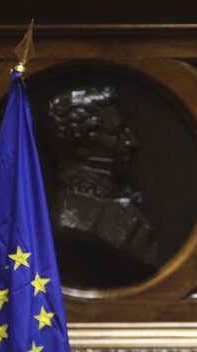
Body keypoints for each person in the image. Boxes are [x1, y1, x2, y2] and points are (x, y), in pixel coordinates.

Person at [44, 85, 158, 286]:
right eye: (117, 134)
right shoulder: (71, 224)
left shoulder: (110, 203)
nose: (131, 142)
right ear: (82, 146)